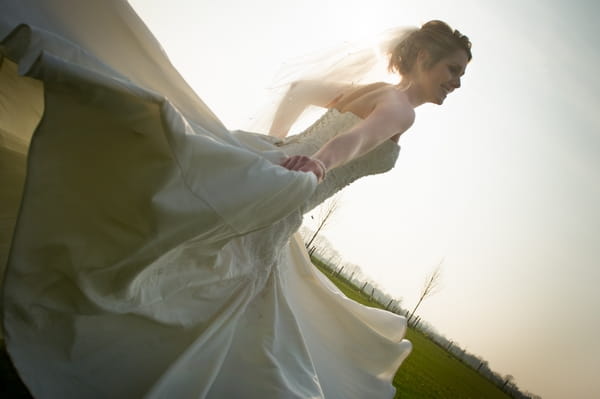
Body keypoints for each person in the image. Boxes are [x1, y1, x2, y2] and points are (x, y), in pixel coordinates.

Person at [0, 1, 471, 398]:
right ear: (426, 57)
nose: (457, 82)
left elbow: (300, 90)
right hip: (282, 195)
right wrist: (317, 163)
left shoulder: (377, 91)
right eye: (453, 70)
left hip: (276, 178)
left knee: (200, 279)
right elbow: (362, 139)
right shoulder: (401, 109)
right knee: (213, 292)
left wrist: (278, 146)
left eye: (462, 75)